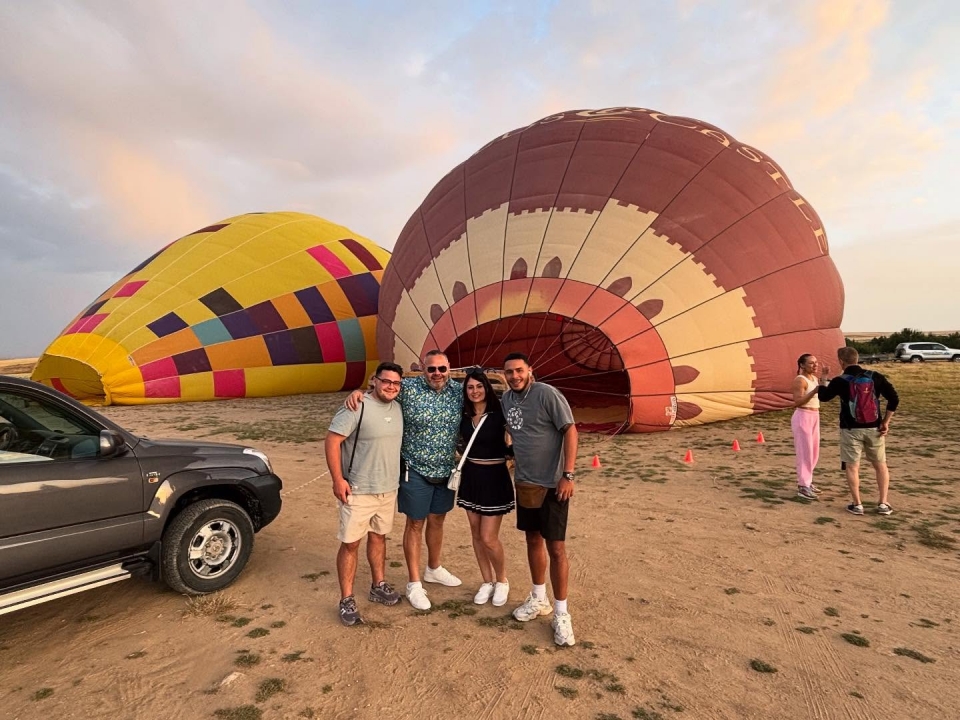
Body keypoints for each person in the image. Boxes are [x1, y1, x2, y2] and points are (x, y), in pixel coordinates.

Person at [346, 349, 462, 610]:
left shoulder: (458, 391)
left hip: (445, 469)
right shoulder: (408, 388)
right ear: (423, 369)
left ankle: (434, 568)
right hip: (415, 468)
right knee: (415, 523)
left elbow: (483, 396)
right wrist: (358, 393)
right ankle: (414, 582)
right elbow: (381, 388)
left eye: (442, 369)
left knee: (438, 519)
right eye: (431, 369)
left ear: (449, 369)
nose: (437, 374)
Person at [501, 352, 579, 647]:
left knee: (556, 547)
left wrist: (568, 475)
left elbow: (570, 430)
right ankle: (538, 598)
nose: (514, 376)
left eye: (519, 370)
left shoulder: (547, 394)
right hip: (525, 482)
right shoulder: (507, 399)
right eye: (509, 372)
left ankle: (561, 613)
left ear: (529, 370)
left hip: (552, 483)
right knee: (532, 539)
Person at [326, 362, 405, 626]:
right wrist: (338, 480)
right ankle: (346, 598)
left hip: (387, 488)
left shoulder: (398, 407)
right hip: (358, 489)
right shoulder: (356, 406)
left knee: (379, 538)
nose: (391, 386)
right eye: (386, 381)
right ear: (374, 380)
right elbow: (332, 440)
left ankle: (378, 585)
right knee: (350, 544)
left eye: (396, 383)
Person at [818, 346, 900, 516]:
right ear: (857, 359)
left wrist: (824, 378)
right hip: (874, 428)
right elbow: (894, 398)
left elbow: (823, 397)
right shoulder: (875, 377)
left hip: (850, 429)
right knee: (880, 466)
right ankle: (883, 503)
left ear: (841, 361)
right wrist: (886, 421)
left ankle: (857, 504)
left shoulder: (840, 381)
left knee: (852, 467)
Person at [457, 370, 515, 606]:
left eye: (479, 386)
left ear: (487, 388)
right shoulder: (464, 414)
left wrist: (512, 448)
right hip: (472, 476)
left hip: (494, 476)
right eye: (470, 387)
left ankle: (502, 580)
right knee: (475, 533)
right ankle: (487, 581)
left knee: (488, 537)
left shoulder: (501, 413)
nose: (475, 391)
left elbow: (516, 439)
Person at [791, 354, 828, 500]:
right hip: (803, 416)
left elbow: (822, 392)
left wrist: (824, 376)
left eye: (816, 362)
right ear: (802, 365)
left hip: (814, 415)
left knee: (813, 451)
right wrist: (814, 391)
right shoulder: (800, 380)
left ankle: (808, 480)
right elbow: (797, 402)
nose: (815, 365)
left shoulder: (813, 379)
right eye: (811, 363)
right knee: (804, 452)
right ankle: (803, 485)